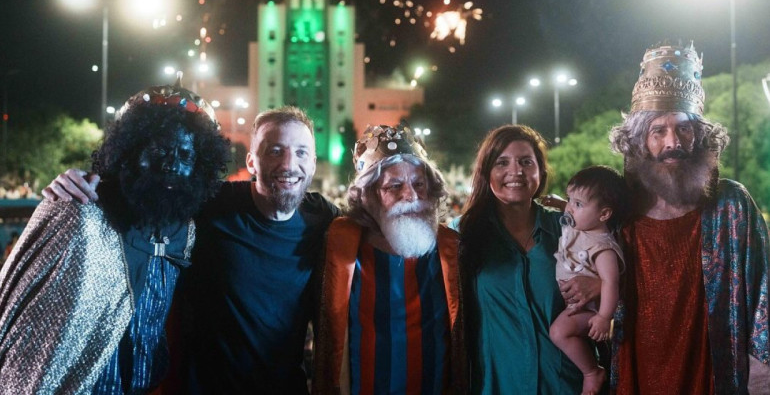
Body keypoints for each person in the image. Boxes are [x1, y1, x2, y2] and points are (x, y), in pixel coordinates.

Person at [44, 106, 340, 394]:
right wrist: (78, 183)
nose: (289, 164)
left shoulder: (325, 218)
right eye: (275, 150)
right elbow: (143, 192)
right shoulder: (209, 204)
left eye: (301, 152)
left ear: (313, 162)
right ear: (252, 162)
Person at [0, 79, 231, 394]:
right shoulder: (81, 210)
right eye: (160, 149)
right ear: (130, 151)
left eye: (185, 154)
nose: (172, 163)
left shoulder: (187, 229)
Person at [609, 42, 769, 393]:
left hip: (713, 376)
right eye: (658, 131)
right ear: (638, 141)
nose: (672, 142)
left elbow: (763, 291)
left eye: (683, 129)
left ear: (699, 135)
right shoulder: (618, 210)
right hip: (637, 371)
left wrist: (761, 372)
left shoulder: (731, 205)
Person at [312, 125, 467, 394]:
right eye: (394, 186)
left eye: (419, 184)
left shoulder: (451, 247)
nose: (411, 195)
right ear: (368, 196)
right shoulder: (341, 244)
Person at [455, 125, 597, 394]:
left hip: (564, 383)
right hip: (496, 383)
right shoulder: (462, 237)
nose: (516, 171)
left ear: (540, 171)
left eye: (525, 162)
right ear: (486, 173)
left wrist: (599, 285)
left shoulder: (569, 231)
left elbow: (618, 280)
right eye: (502, 162)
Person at [549, 165, 627, 395]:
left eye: (578, 204)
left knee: (558, 332)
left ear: (604, 214)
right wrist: (559, 203)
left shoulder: (602, 247)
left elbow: (610, 282)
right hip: (575, 302)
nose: (570, 209)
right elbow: (569, 212)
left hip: (591, 310)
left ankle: (592, 372)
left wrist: (604, 317)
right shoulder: (582, 224)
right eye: (569, 199)